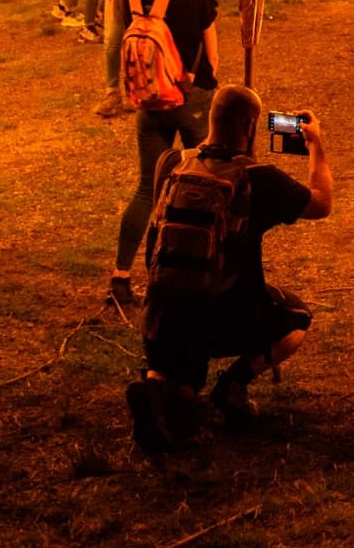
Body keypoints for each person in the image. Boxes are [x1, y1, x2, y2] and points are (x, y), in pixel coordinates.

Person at [122, 87, 333, 451]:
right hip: (221, 316)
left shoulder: (171, 162)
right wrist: (315, 144)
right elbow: (321, 203)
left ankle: (158, 387)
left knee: (180, 392)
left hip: (161, 312)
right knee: (297, 317)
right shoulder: (256, 177)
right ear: (250, 124)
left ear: (212, 119)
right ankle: (231, 386)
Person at [108, 0, 224, 287]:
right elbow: (213, 57)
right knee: (205, 186)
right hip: (192, 100)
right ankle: (199, 270)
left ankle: (121, 276)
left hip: (150, 102)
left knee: (147, 188)